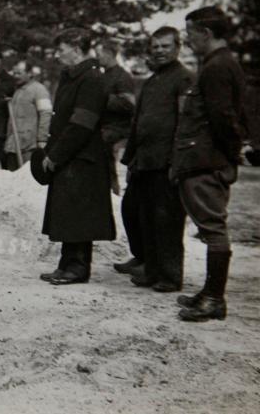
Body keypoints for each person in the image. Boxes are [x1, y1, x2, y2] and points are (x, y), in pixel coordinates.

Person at [174, 6, 248, 322]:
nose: (188, 40)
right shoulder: (218, 64)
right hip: (204, 158)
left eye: (189, 33)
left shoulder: (217, 67)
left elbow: (223, 117)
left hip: (207, 160)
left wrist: (231, 153)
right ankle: (209, 293)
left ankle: (215, 299)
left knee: (213, 227)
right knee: (209, 226)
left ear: (205, 33)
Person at [118, 26, 194, 293]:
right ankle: (151, 270)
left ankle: (170, 277)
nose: (160, 51)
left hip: (167, 163)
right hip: (145, 162)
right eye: (156, 46)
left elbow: (185, 124)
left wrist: (178, 162)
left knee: (167, 220)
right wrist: (131, 160)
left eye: (165, 46)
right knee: (143, 216)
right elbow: (139, 123)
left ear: (177, 47)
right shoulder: (152, 81)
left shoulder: (184, 79)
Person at [39, 28, 115, 285]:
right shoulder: (72, 77)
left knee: (79, 215)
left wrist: (56, 155)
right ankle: (66, 264)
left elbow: (82, 123)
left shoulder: (92, 78)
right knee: (68, 213)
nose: (58, 55)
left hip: (83, 158)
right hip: (71, 156)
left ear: (76, 47)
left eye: (61, 50)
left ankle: (78, 267)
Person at [96, 39, 136, 195]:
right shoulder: (102, 76)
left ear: (109, 54)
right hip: (103, 126)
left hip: (118, 128)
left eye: (99, 55)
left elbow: (129, 105)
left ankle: (114, 191)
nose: (97, 58)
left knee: (103, 144)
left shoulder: (122, 76)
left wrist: (104, 99)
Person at [3, 60, 52, 170]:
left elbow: (46, 114)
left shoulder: (39, 90)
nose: (15, 76)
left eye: (19, 73)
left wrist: (42, 139)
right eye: (14, 73)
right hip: (13, 145)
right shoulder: (17, 91)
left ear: (30, 73)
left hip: (30, 146)